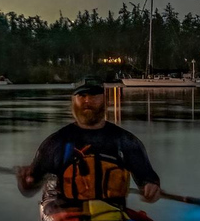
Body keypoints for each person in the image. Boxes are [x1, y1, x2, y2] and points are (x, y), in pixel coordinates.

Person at [16, 77, 161, 210]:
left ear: (105, 99)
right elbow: (31, 184)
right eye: (82, 96)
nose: (87, 100)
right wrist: (26, 181)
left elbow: (148, 178)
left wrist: (151, 187)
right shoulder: (57, 142)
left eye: (93, 95)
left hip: (113, 215)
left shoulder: (126, 141)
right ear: (74, 101)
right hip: (69, 215)